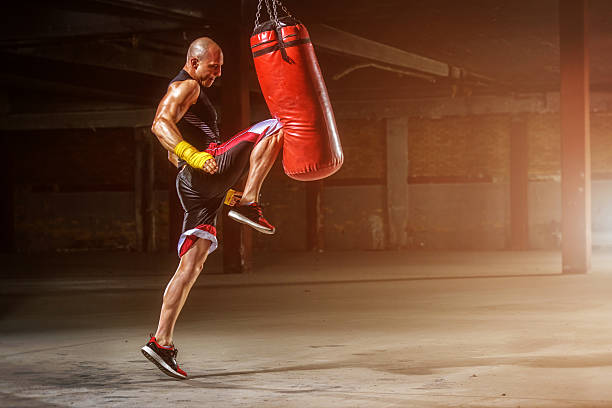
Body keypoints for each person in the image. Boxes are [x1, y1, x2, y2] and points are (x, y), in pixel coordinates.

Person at [140, 37, 283, 379]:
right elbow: (159, 124)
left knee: (191, 267)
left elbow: (172, 148)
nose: (218, 74)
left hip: (197, 187)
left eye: (221, 67)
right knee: (275, 126)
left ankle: (161, 342)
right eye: (213, 67)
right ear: (193, 61)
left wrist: (220, 190)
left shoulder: (195, 91)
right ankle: (251, 203)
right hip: (204, 169)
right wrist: (196, 156)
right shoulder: (186, 85)